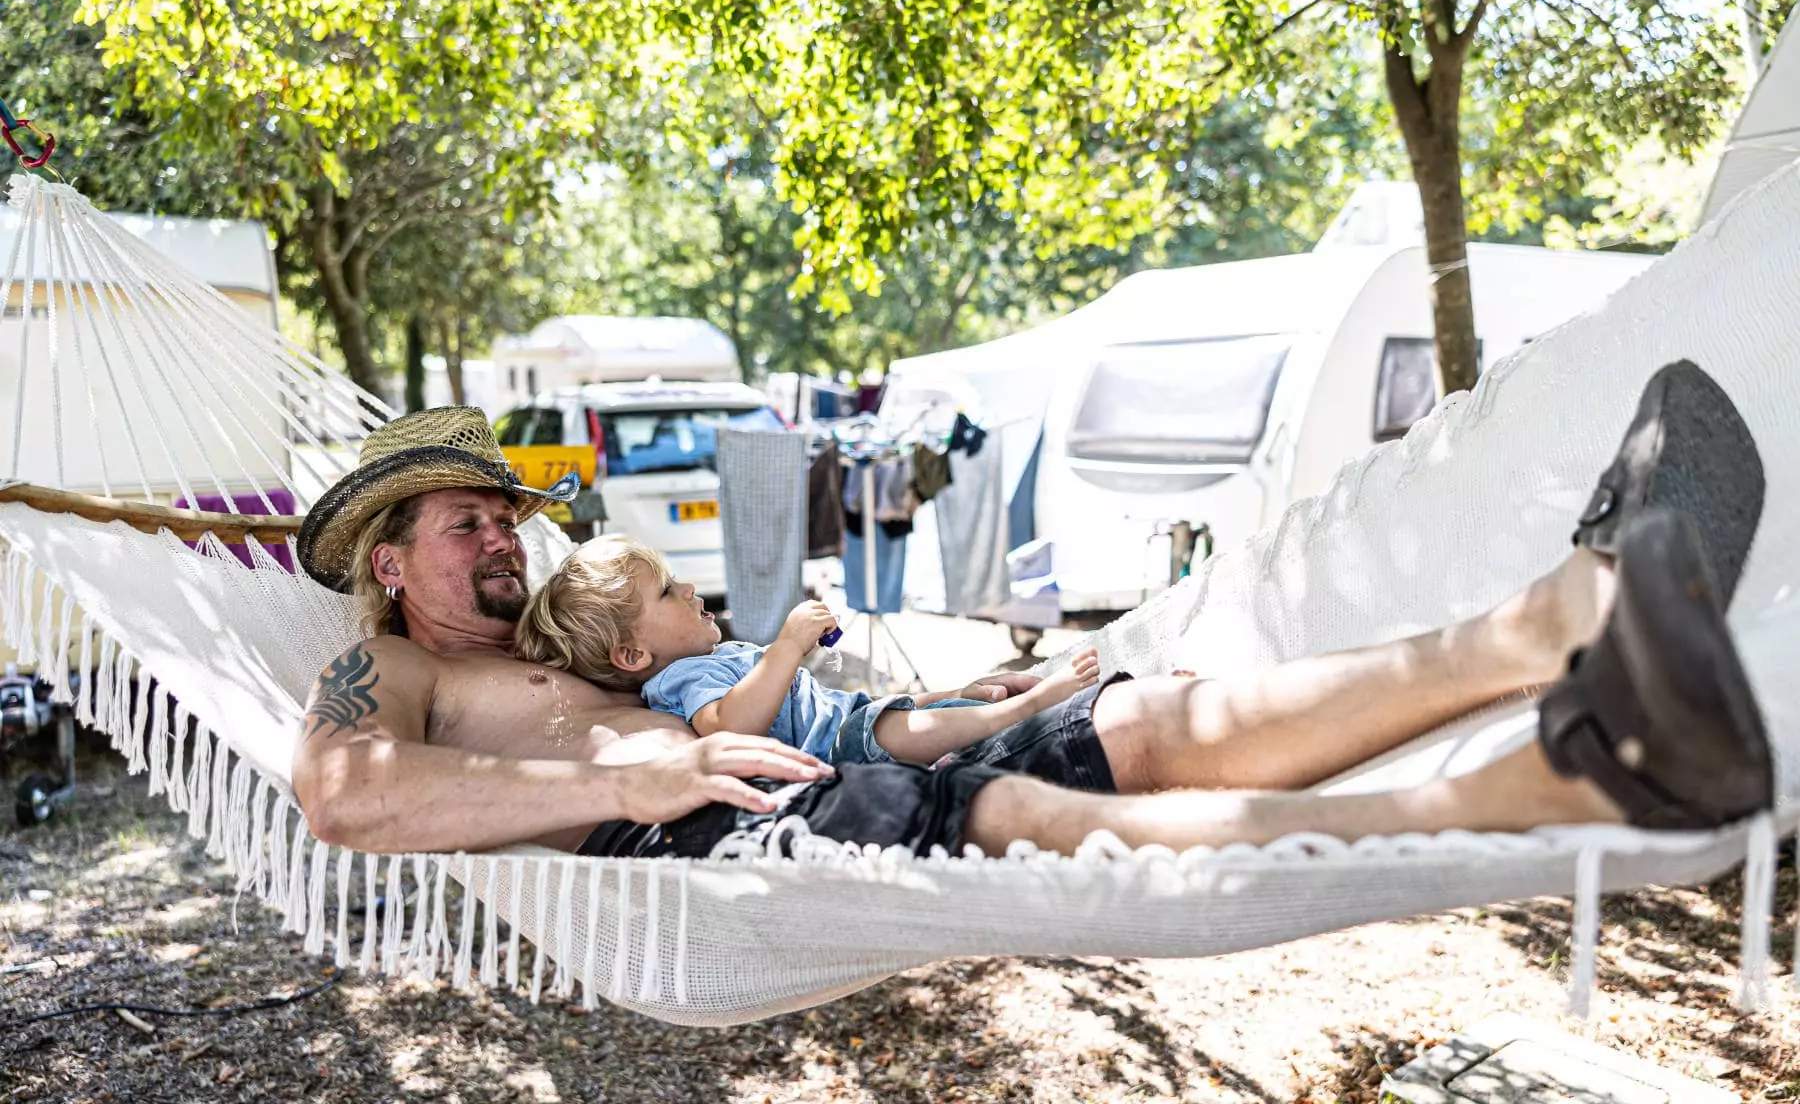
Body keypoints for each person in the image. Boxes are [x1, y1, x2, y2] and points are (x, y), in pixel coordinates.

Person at [289, 360, 1772, 863]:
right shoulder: (384, 672)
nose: (498, 539)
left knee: (1156, 721)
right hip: (722, 831)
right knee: (1039, 831)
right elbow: (347, 801)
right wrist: (647, 768)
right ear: (391, 561)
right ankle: (1552, 785)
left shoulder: (557, 634)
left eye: (503, 518)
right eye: (464, 522)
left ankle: (1549, 621)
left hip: (819, 768)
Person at [510, 534, 1102, 767]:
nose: (689, 589)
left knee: (921, 710)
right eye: (667, 592)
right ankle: (1021, 710)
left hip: (852, 719)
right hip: (839, 751)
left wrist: (944, 694)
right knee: (913, 731)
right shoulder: (678, 683)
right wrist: (787, 646)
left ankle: (977, 700)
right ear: (634, 656)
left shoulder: (710, 659)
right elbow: (726, 727)